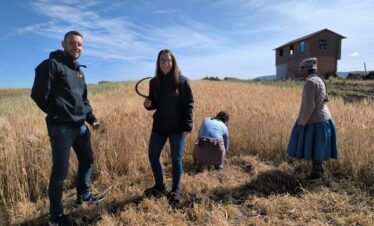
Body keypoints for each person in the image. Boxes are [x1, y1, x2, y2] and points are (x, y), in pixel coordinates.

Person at [31, 31, 106, 226]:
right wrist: (56, 113)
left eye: (80, 44)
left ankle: (84, 195)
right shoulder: (51, 65)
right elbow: (38, 94)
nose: (76, 47)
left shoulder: (79, 71)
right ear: (63, 44)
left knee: (87, 160)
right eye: (72, 43)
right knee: (60, 172)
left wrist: (93, 120)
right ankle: (55, 217)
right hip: (61, 128)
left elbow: (84, 101)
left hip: (80, 127)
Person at [143, 49, 194, 204]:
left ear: (173, 62)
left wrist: (187, 126)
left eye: (168, 60)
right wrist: (148, 105)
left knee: (176, 158)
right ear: (158, 63)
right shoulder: (154, 82)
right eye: (162, 60)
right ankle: (160, 185)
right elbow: (154, 102)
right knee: (152, 155)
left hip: (177, 128)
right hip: (159, 126)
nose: (166, 63)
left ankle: (176, 190)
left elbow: (189, 104)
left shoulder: (182, 81)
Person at [287, 57, 338, 181]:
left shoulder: (310, 82)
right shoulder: (319, 80)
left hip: (315, 120)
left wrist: (302, 123)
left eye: (302, 70)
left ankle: (316, 175)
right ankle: (318, 170)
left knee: (315, 147)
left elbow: (309, 105)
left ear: (306, 70)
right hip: (324, 118)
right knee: (319, 146)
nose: (301, 72)